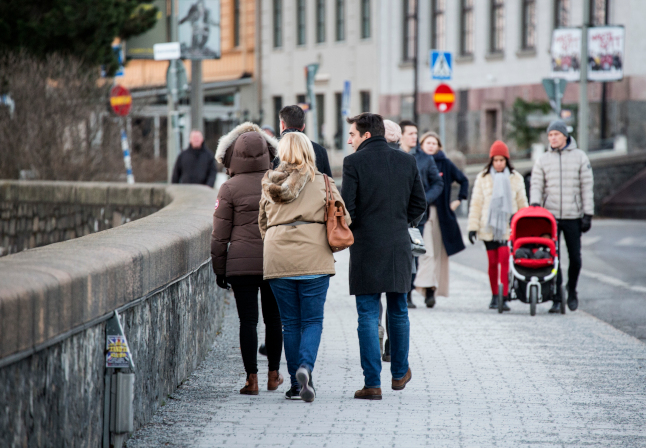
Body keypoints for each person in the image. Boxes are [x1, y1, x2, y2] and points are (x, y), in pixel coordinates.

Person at [259, 132, 350, 403]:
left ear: (282, 153)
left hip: (278, 256)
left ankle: (295, 387)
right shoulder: (323, 181)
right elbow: (343, 216)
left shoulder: (268, 182)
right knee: (312, 320)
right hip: (314, 257)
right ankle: (305, 368)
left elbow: (262, 223)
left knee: (290, 323)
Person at [342, 113, 427, 400]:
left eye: (352, 134)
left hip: (366, 246)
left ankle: (372, 384)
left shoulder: (353, 163)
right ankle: (399, 373)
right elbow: (419, 204)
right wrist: (401, 222)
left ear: (366, 135)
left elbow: (348, 211)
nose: (349, 139)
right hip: (398, 245)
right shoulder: (407, 160)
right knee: (398, 309)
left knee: (367, 314)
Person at [211, 122, 284, 395]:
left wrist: (220, 269)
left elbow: (219, 235)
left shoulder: (229, 188)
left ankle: (251, 380)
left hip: (240, 265)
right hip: (274, 260)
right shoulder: (276, 183)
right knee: (274, 320)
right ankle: (274, 375)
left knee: (247, 322)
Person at [530, 120, 594, 313]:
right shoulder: (543, 159)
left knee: (575, 258)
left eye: (556, 134)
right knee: (553, 258)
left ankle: (571, 289)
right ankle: (557, 297)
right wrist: (535, 205)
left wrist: (588, 214)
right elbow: (536, 184)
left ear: (565, 136)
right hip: (549, 218)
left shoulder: (580, 157)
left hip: (573, 216)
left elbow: (587, 186)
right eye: (550, 135)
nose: (553, 138)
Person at [467, 141, 529, 310]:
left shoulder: (516, 178)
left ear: (507, 160)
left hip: (508, 227)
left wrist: (525, 226)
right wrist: (473, 227)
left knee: (505, 261)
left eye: (502, 160)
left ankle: (504, 295)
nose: (499, 163)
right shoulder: (483, 177)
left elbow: (523, 203)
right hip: (488, 227)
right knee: (493, 263)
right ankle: (495, 296)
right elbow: (476, 203)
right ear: (491, 161)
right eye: (496, 160)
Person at [415, 132, 469, 307]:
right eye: (427, 142)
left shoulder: (445, 163)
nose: (431, 145)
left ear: (439, 146)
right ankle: (422, 286)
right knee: (427, 251)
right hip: (423, 214)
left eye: (434, 143)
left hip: (442, 214)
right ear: (422, 145)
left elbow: (463, 180)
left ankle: (431, 291)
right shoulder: (416, 161)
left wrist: (458, 200)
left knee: (439, 254)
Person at [398, 120, 444, 309]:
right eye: (410, 133)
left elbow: (438, 183)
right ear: (401, 135)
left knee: (413, 254)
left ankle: (408, 294)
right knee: (398, 253)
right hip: (395, 213)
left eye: (416, 133)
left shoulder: (425, 158)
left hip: (418, 217)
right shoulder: (393, 155)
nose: (414, 137)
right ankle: (397, 290)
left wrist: (424, 201)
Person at [275, 105, 332, 177]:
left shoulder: (274, 150)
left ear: (282, 125)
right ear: (303, 127)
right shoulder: (320, 150)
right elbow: (329, 183)